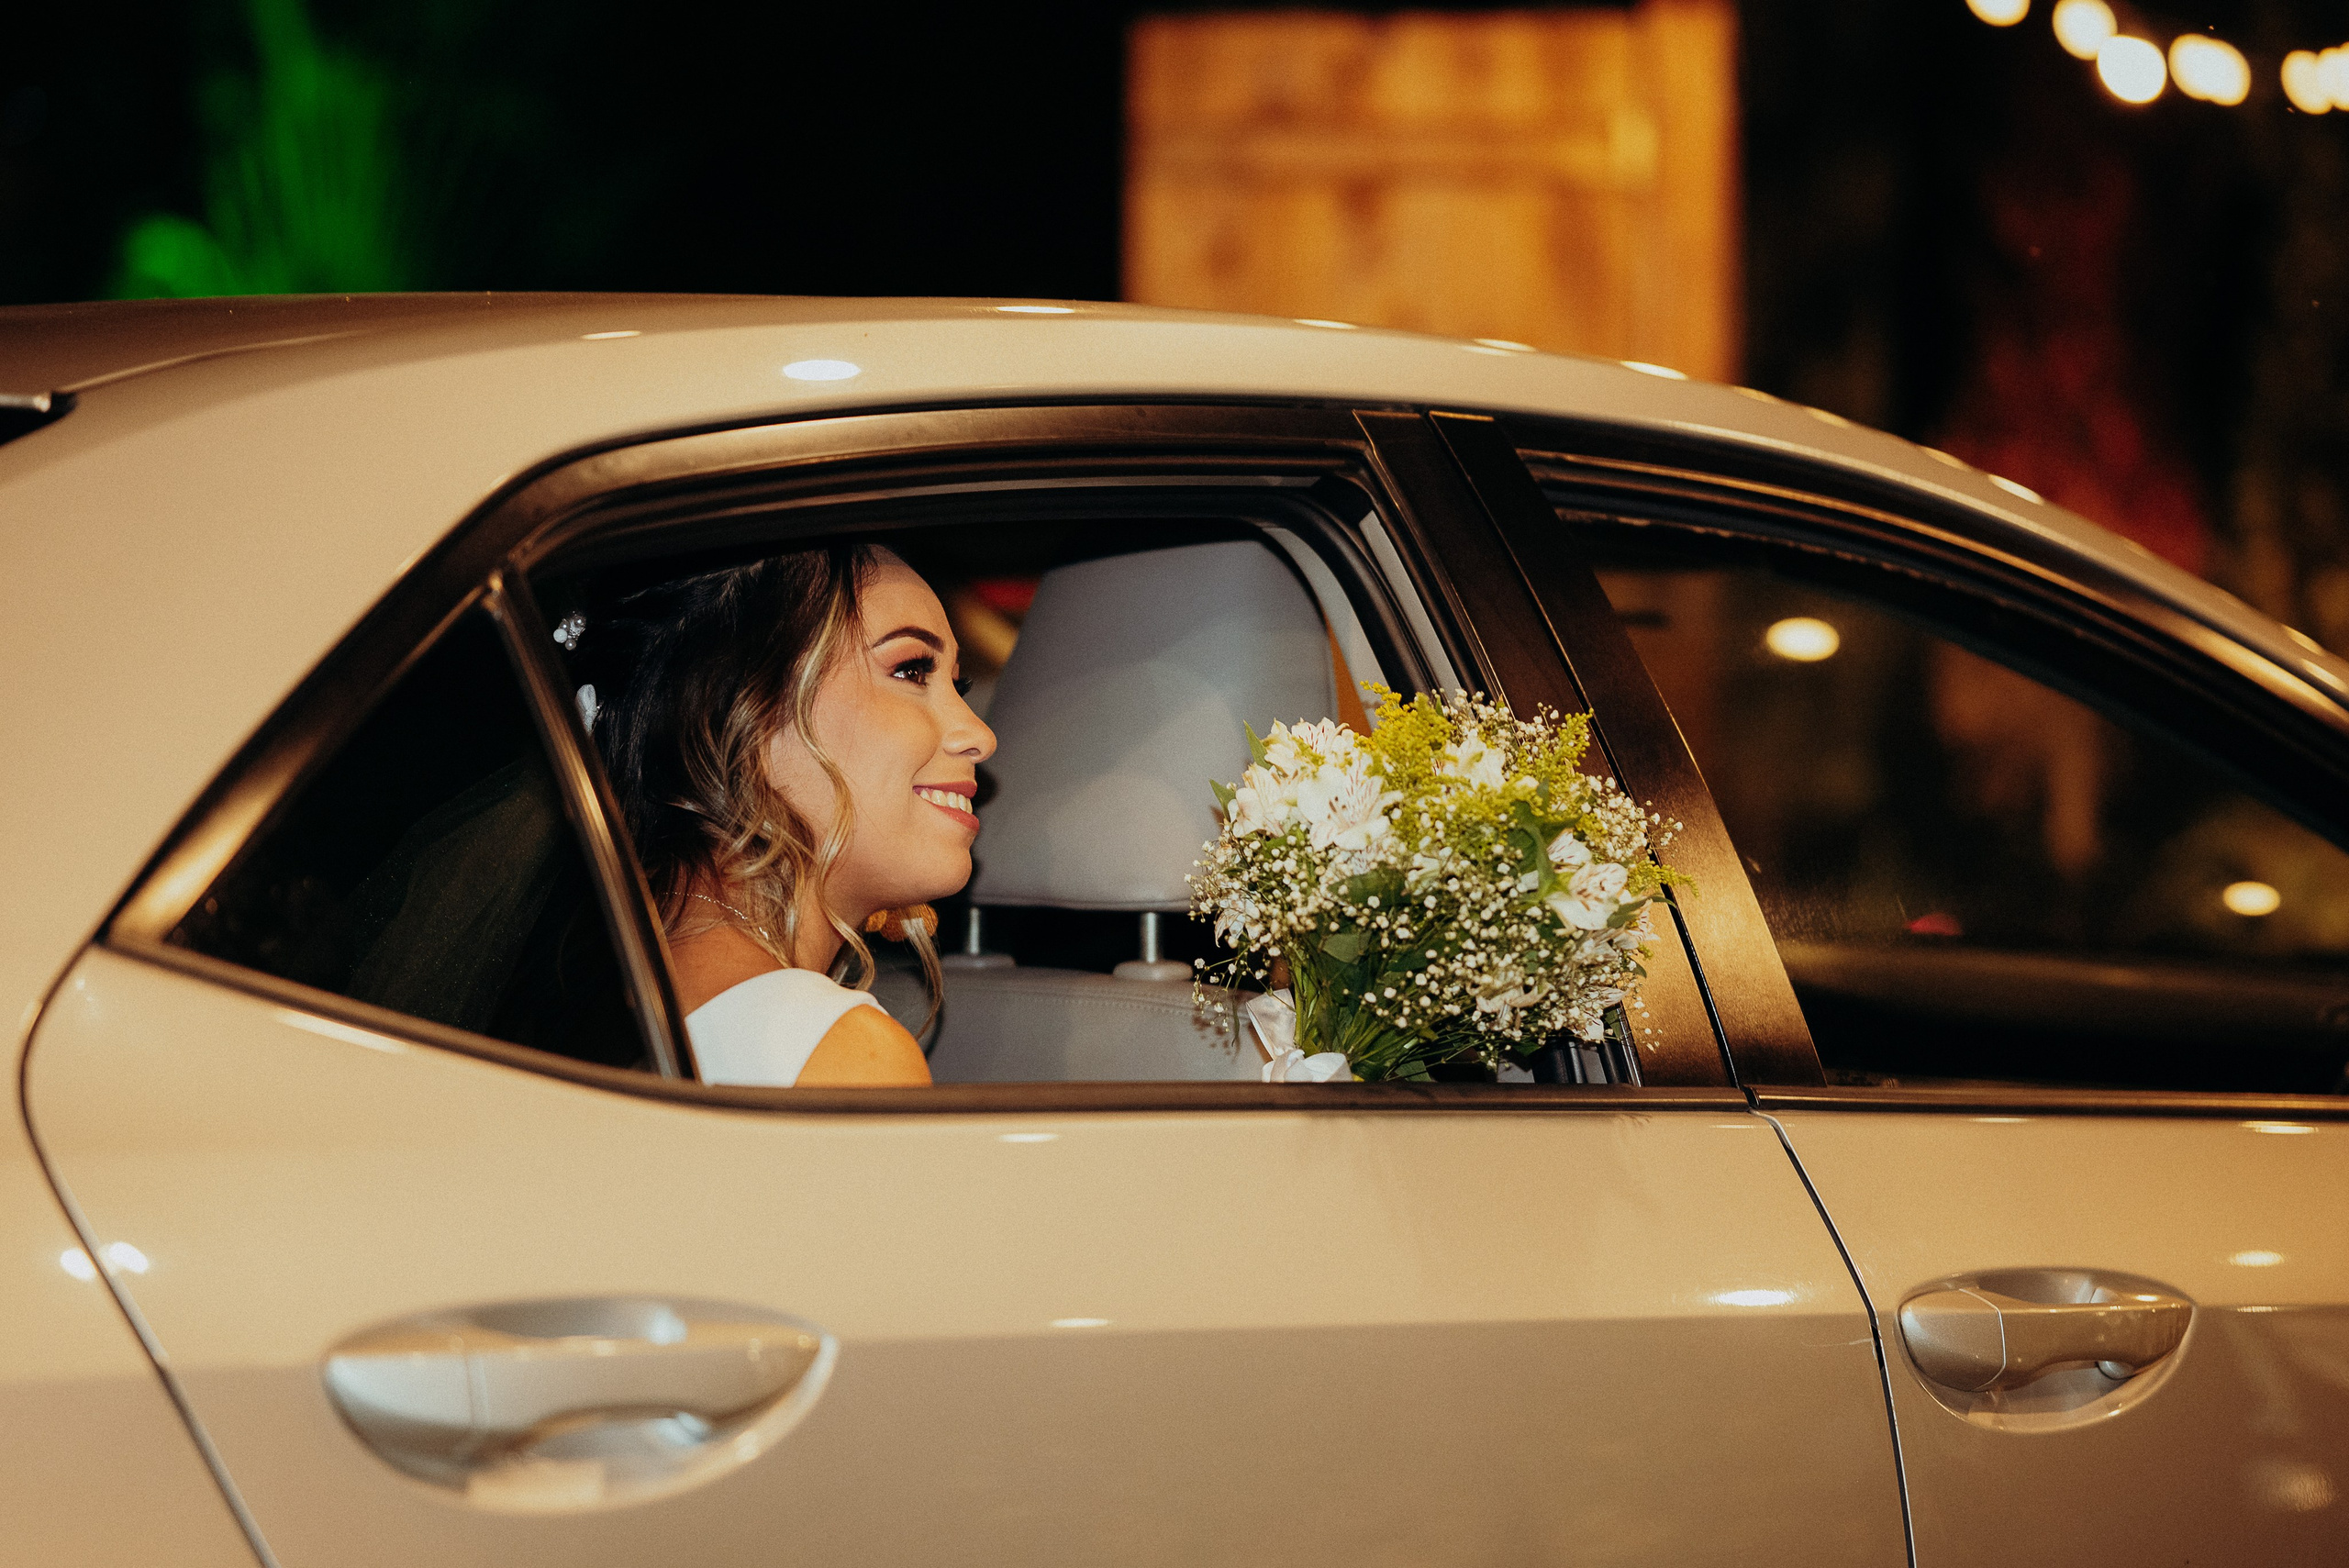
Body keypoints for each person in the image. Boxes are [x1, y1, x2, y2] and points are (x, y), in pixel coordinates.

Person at [592, 543, 996, 1085]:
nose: (980, 737)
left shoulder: (597, 989)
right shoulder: (837, 1056)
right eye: (910, 670)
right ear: (739, 713)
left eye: (958, 685)